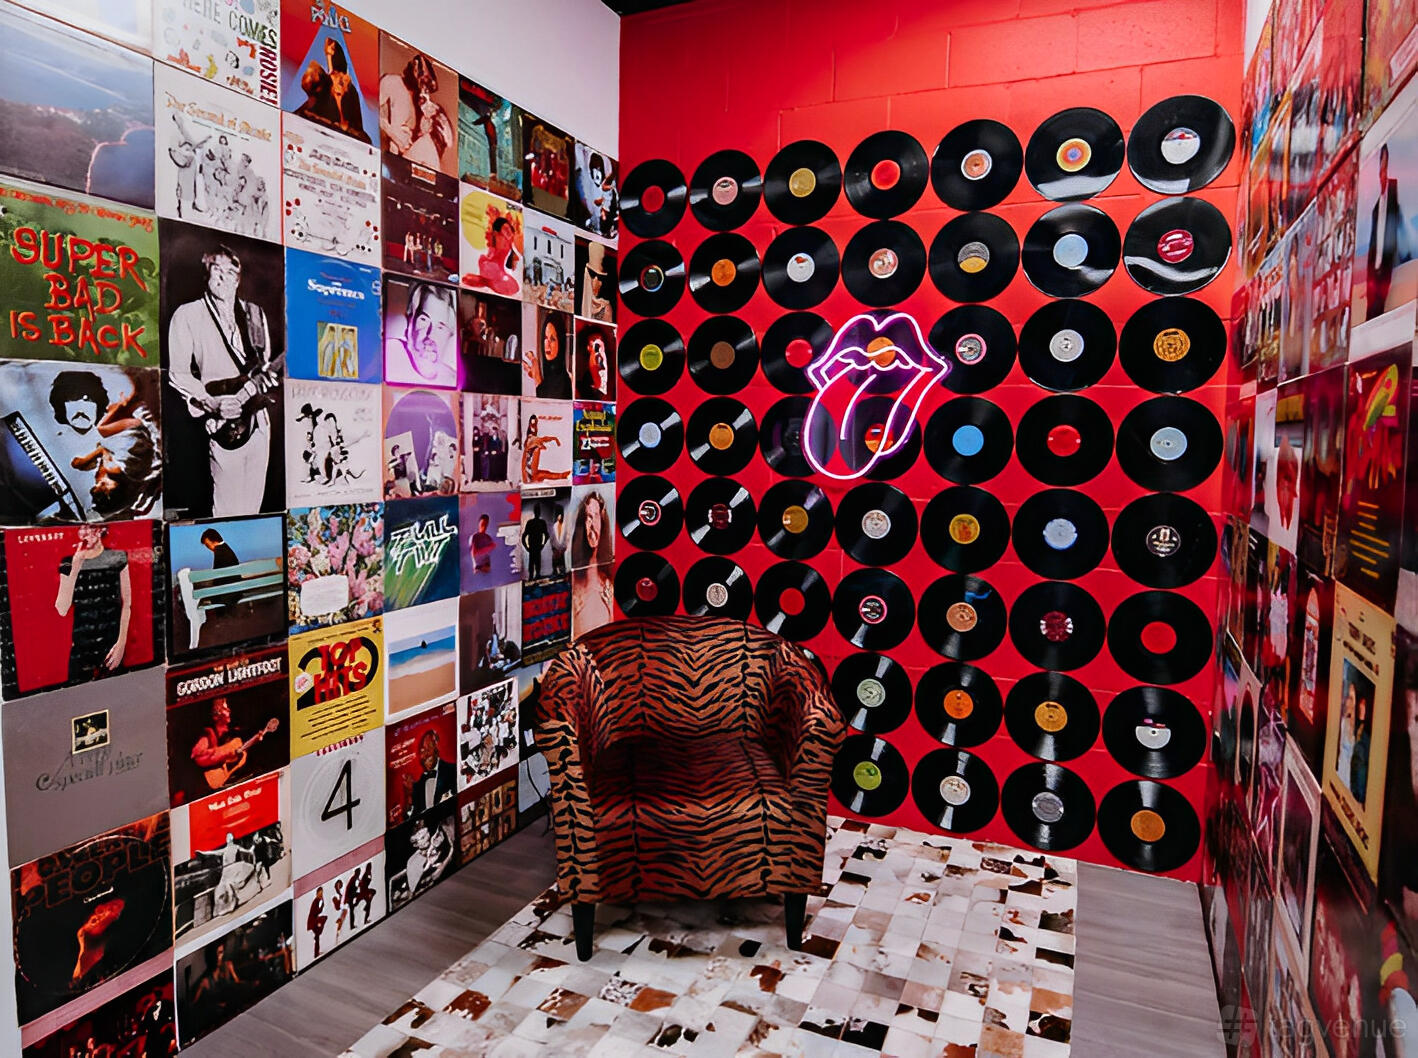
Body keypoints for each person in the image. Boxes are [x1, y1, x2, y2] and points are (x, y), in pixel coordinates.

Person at [167, 245, 279, 517]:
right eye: (217, 269)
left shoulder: (255, 314)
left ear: (238, 279)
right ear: (205, 274)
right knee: (226, 510)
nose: (223, 277)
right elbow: (177, 373)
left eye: (231, 272)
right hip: (222, 423)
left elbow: (261, 366)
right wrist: (211, 403)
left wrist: (267, 377)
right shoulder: (187, 314)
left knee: (253, 508)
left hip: (259, 421)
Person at [54, 524, 131, 683]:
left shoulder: (117, 557)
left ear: (101, 529)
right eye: (82, 528)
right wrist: (76, 565)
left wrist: (121, 645)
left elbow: (127, 603)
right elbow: (62, 608)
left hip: (111, 647)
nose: (86, 533)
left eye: (91, 527)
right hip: (82, 649)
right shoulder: (68, 562)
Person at [380, 53, 453, 171]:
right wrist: (392, 133)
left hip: (405, 163)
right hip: (387, 158)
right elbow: (369, 111)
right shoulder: (392, 82)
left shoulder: (420, 102)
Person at [385, 282, 457, 388]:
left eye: (440, 327)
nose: (430, 335)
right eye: (424, 320)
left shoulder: (451, 378)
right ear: (410, 320)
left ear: (449, 335)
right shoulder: (390, 353)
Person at [1367, 143, 1407, 321]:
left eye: (1385, 167)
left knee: (1382, 315)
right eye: (1380, 169)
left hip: (1387, 267)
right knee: (1372, 316)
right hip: (1373, 270)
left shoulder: (1394, 195)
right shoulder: (1376, 207)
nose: (1382, 173)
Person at [470, 214, 521, 296]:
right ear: (495, 234)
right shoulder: (491, 252)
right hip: (492, 269)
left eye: (509, 232)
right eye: (505, 231)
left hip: (499, 273)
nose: (507, 235)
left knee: (513, 287)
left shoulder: (510, 244)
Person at [408, 730, 456, 817]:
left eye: (428, 749)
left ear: (436, 749)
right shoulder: (418, 785)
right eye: (422, 751)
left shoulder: (453, 770)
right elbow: (412, 817)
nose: (425, 755)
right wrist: (409, 796)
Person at [524, 313, 571, 399]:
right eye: (545, 338)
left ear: (560, 343)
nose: (547, 344)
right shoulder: (548, 375)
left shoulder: (564, 381)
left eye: (552, 339)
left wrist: (537, 377)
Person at [570, 490, 613, 569]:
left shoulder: (608, 569)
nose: (592, 524)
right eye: (589, 517)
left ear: (602, 521)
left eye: (596, 516)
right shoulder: (577, 570)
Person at [580, 241, 613, 322]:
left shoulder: (605, 307)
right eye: (592, 276)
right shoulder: (583, 300)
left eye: (600, 278)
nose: (597, 281)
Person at [522, 503, 549, 579]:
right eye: (536, 510)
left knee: (537, 566)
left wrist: (542, 545)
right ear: (535, 512)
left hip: (537, 547)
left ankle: (536, 577)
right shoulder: (530, 522)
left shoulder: (542, 522)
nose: (537, 512)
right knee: (532, 566)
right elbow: (524, 536)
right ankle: (532, 578)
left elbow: (546, 535)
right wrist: (526, 547)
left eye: (538, 511)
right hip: (532, 547)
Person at [306, 887, 327, 960]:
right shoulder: (315, 901)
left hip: (314, 920)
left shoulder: (317, 901)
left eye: (322, 893)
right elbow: (316, 912)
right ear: (317, 893)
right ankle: (316, 953)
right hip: (313, 921)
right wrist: (321, 906)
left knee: (317, 936)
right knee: (317, 936)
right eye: (320, 893)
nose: (321, 895)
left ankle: (316, 953)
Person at [550, 509, 568, 576]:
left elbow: (566, 537)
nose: (560, 517)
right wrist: (554, 548)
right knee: (555, 561)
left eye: (561, 515)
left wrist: (564, 547)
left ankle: (562, 573)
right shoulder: (554, 526)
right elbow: (552, 538)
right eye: (558, 516)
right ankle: (555, 572)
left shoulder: (565, 525)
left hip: (562, 548)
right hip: (555, 547)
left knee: (562, 562)